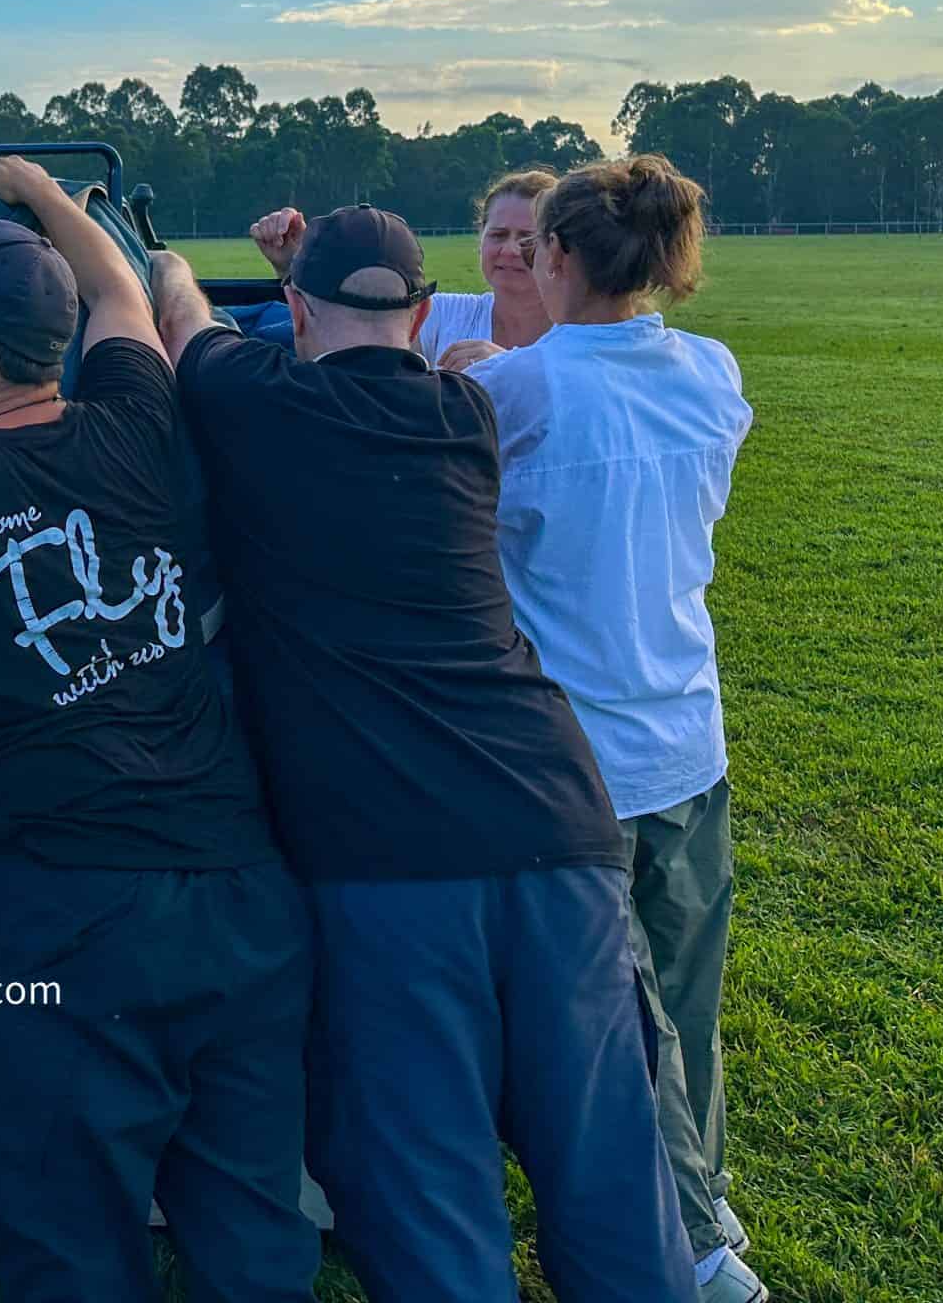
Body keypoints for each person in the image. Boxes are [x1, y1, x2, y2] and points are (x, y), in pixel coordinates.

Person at [153, 206, 698, 1303]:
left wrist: (161, 258)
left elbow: (175, 318)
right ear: (419, 312)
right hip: (558, 820)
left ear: (295, 308)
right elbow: (472, 359)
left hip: (388, 854)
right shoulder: (467, 410)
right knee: (607, 1166)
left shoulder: (254, 398)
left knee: (426, 1184)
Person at [0, 157, 318, 1303]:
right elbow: (118, 293)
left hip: (69, 917)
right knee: (251, 1233)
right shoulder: (140, 423)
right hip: (239, 894)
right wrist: (49, 197)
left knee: (68, 1246)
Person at [458, 156, 761, 1303]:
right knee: (684, 1001)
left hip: (580, 765)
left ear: (557, 255)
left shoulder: (518, 392)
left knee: (623, 1028)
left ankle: (696, 1250)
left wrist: (469, 371)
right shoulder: (712, 372)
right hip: (690, 737)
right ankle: (705, 1189)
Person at [247, 167, 553, 371]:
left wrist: (512, 370)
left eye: (526, 238)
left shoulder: (576, 336)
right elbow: (348, 346)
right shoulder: (447, 315)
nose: (510, 250)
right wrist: (299, 264)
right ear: (480, 239)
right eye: (498, 235)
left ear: (557, 248)